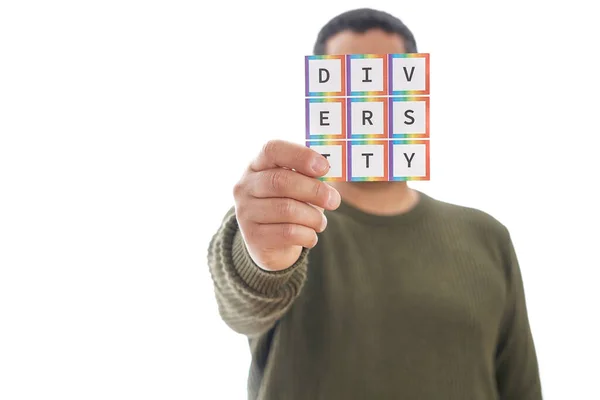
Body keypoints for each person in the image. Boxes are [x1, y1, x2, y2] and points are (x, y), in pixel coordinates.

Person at [208, 8, 542, 400]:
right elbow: (243, 297)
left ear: (418, 100)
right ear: (321, 100)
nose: (368, 105)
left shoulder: (487, 237)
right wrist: (260, 259)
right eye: (348, 82)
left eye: (386, 80)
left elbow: (521, 387)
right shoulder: (285, 220)